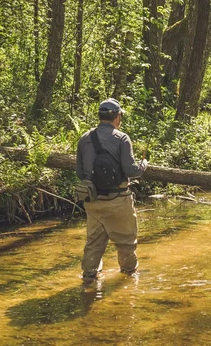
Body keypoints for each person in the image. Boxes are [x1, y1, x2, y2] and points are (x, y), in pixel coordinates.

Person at [76, 98, 148, 283]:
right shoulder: (122, 138)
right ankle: (129, 279)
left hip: (92, 201)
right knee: (126, 243)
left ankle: (89, 279)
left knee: (94, 242)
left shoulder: (84, 138)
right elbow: (131, 171)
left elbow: (79, 172)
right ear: (117, 118)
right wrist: (143, 165)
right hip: (118, 200)